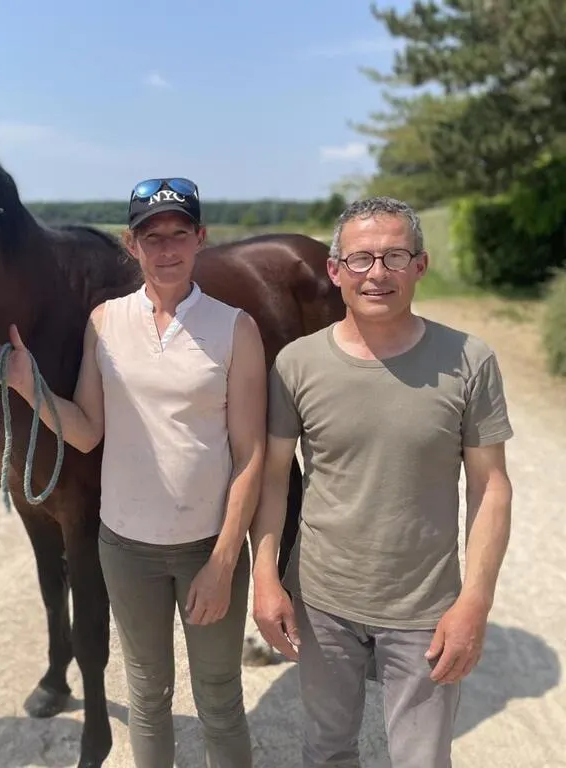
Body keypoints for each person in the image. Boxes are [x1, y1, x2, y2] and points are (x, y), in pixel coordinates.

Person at [0, 177, 265, 767]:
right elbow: (86, 431)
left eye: (179, 234)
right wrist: (27, 384)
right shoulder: (104, 323)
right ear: (132, 246)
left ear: (201, 238)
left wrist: (224, 560)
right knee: (148, 697)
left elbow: (250, 454)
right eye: (151, 237)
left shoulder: (235, 328)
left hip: (206, 547)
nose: (166, 249)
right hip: (127, 549)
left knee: (218, 697)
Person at [249, 196, 514, 767]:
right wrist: (265, 576)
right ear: (334, 270)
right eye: (361, 258)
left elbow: (491, 486)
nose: (377, 273)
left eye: (395, 256)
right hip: (321, 599)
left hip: (425, 606)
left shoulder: (470, 361)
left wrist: (475, 600)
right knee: (326, 751)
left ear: (420, 265)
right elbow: (273, 480)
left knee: (422, 759)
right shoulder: (295, 364)